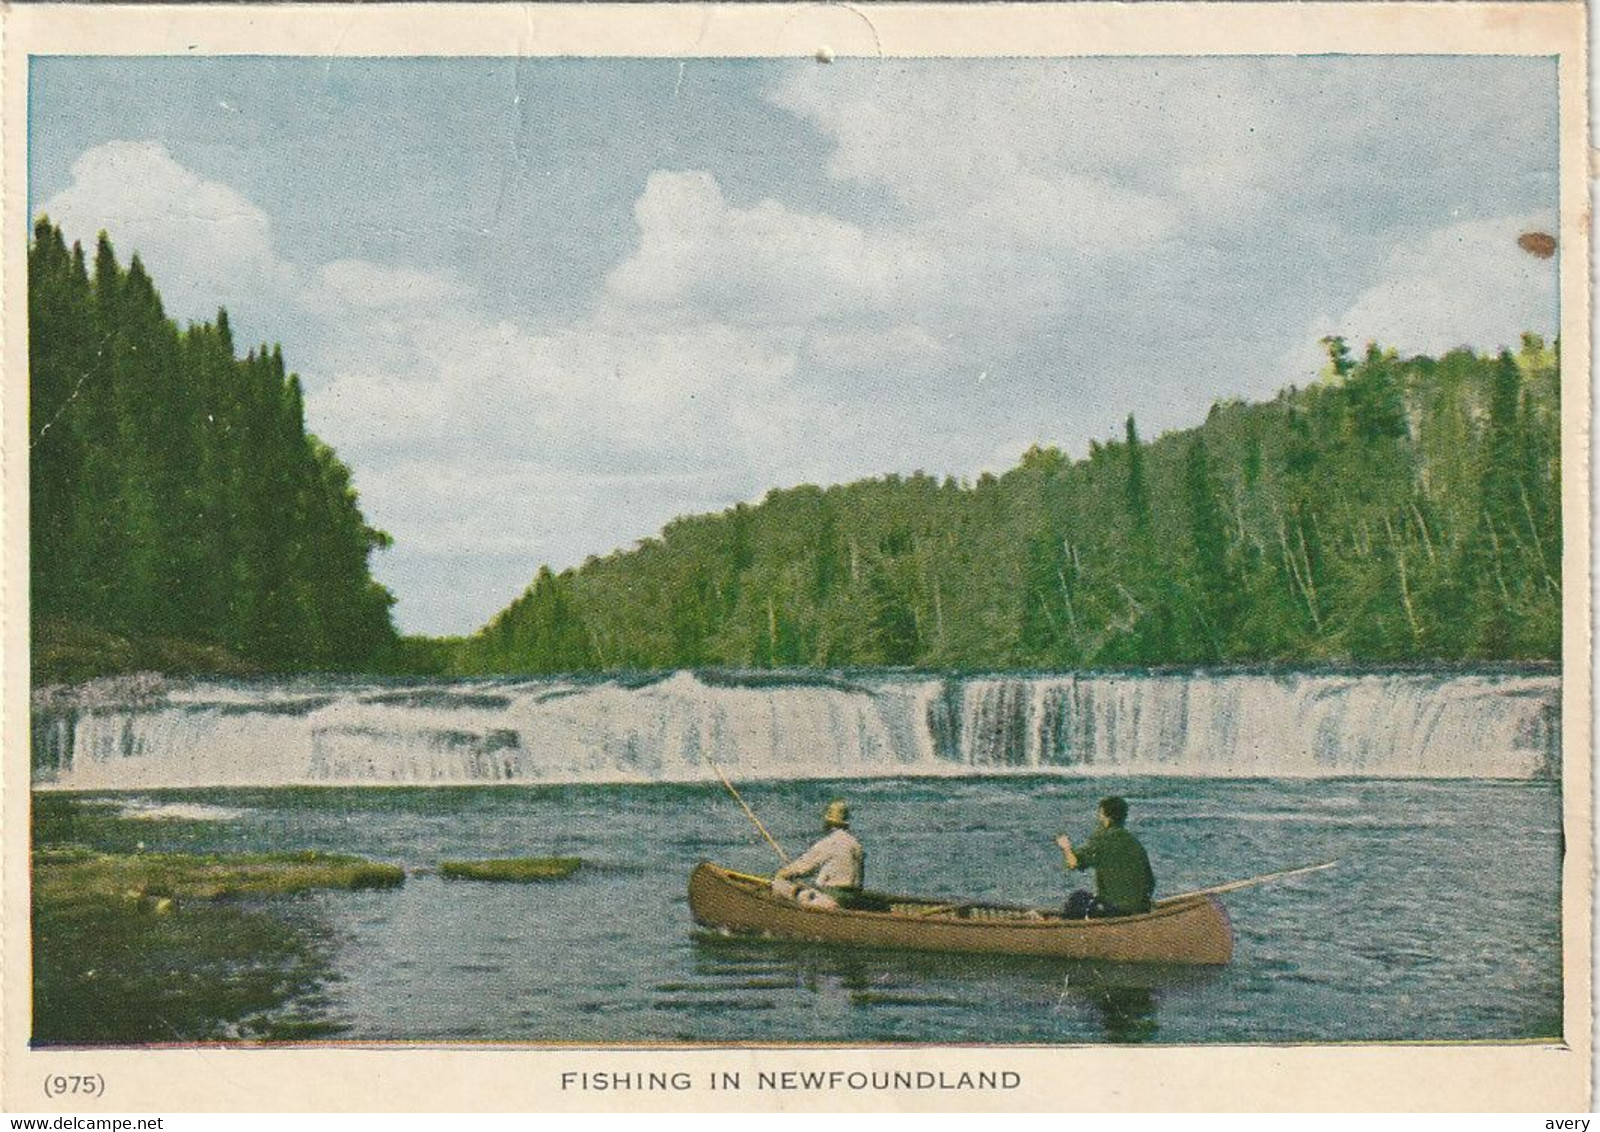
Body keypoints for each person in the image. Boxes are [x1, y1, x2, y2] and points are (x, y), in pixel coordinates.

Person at [1055, 795, 1155, 919]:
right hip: (1141, 908)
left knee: (1077, 898)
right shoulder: (1134, 842)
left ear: (1105, 816)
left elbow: (1073, 863)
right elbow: (1150, 882)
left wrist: (1066, 847)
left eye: (1100, 814)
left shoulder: (1102, 839)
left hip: (1115, 910)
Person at [772, 799, 866, 910]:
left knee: (779, 885)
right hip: (853, 900)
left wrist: (782, 874)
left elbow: (803, 868)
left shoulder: (829, 842)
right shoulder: (856, 844)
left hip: (830, 900)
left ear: (828, 823)